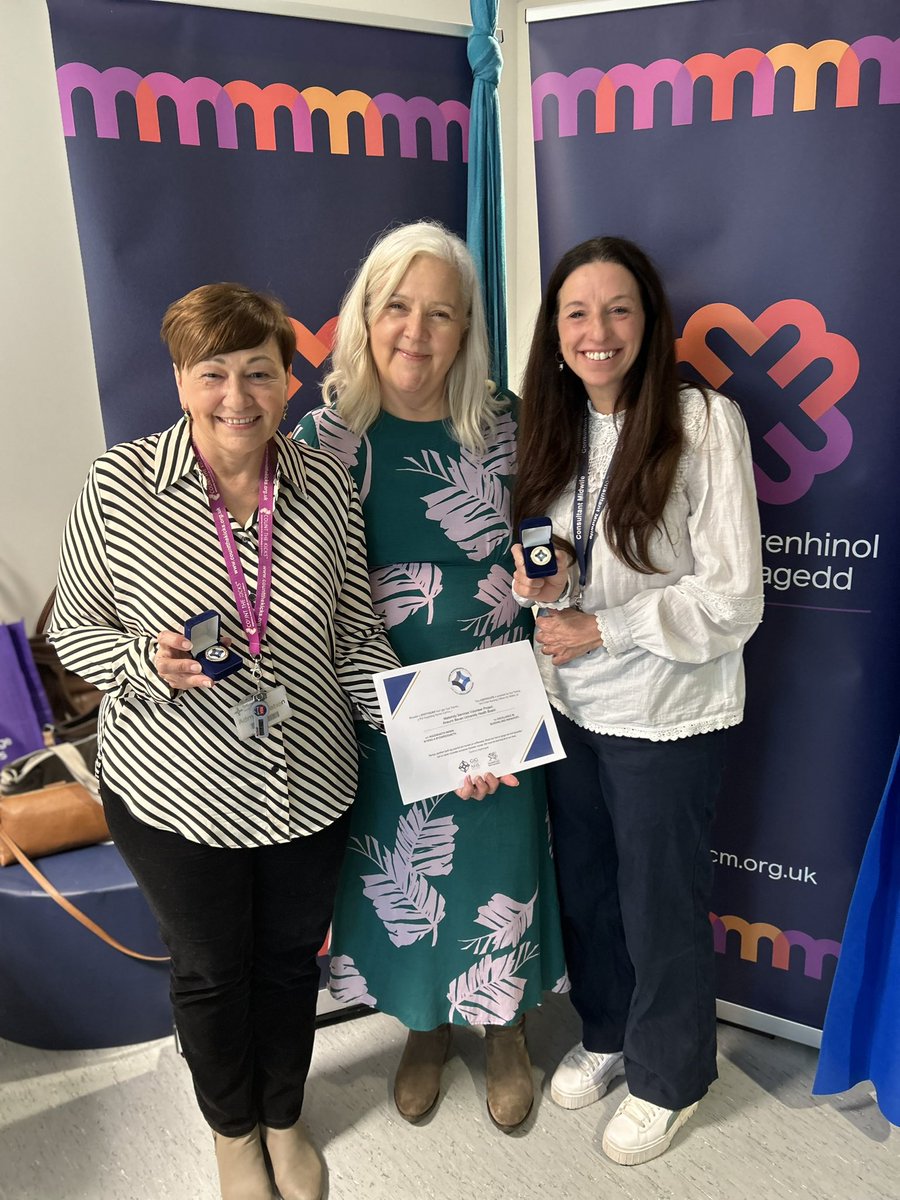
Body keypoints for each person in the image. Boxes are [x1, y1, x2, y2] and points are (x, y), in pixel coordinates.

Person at [49, 283, 400, 1200]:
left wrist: (424, 727)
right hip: (176, 788)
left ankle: (283, 1117)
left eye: (259, 371)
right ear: (180, 381)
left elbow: (355, 633)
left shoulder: (324, 484)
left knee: (287, 964)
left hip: (309, 780)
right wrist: (144, 659)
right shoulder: (119, 487)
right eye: (213, 373)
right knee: (210, 972)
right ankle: (232, 1134)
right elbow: (74, 631)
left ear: (289, 379)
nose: (237, 396)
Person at [293, 221, 567, 1132]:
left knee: (496, 864)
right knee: (404, 867)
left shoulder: (508, 422)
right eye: (398, 307)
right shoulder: (324, 438)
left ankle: (506, 1028)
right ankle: (422, 1023)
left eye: (441, 313)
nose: (416, 330)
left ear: (466, 329)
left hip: (496, 696)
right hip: (379, 700)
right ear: (365, 315)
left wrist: (551, 577)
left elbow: (547, 544)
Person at [512, 236, 764, 1165]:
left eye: (618, 309)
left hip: (665, 711)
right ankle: (609, 1031)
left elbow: (733, 598)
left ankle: (671, 1076)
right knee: (588, 889)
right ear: (555, 331)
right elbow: (569, 557)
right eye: (577, 313)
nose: (598, 331)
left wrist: (604, 628)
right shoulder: (557, 425)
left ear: (650, 321)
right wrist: (549, 582)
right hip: (569, 703)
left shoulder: (704, 423)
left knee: (660, 903)